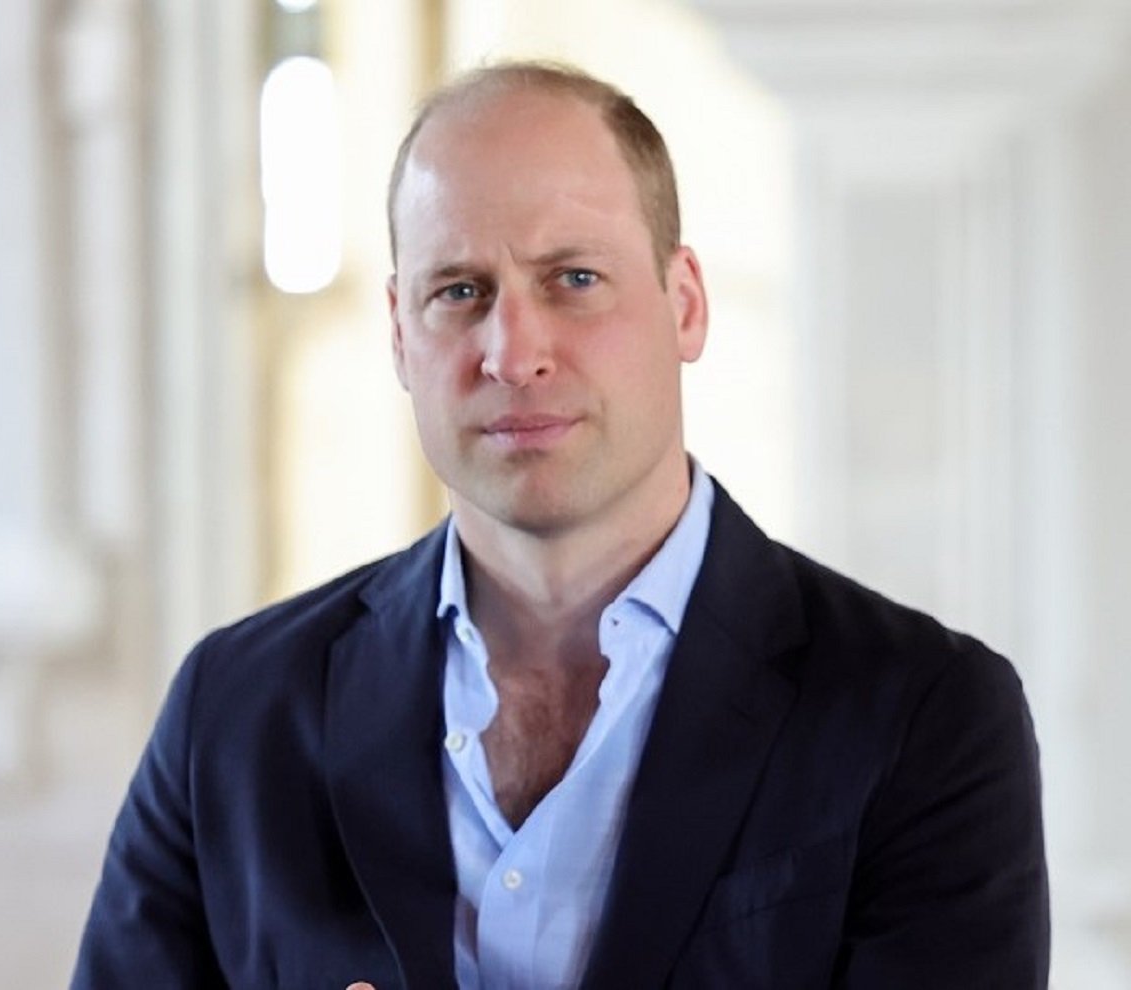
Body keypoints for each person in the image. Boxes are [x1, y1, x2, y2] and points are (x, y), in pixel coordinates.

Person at [72, 61, 1049, 989]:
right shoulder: (234, 713)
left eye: (573, 278)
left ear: (686, 305)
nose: (514, 351)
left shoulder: (925, 719)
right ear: (400, 336)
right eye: (459, 291)